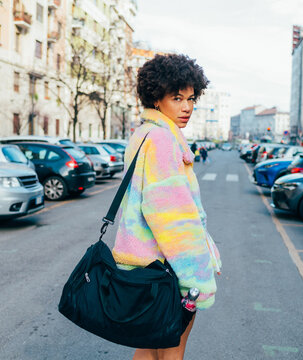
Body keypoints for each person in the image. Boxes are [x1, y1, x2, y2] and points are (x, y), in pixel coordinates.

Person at [112, 54, 221, 360]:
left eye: (190, 98)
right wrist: (196, 277)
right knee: (172, 352)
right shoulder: (163, 140)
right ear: (157, 98)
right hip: (168, 272)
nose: (187, 107)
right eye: (177, 98)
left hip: (144, 266)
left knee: (148, 349)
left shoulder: (144, 134)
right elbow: (171, 219)